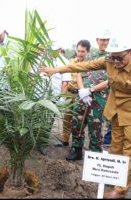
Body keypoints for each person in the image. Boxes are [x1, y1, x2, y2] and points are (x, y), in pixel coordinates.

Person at [40, 36, 131, 199]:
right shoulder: (109, 60)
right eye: (114, 57)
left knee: (129, 149)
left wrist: (93, 89)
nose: (116, 62)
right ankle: (115, 177)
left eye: (121, 58)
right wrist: (56, 70)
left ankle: (121, 190)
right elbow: (83, 65)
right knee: (115, 146)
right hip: (116, 110)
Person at [58, 40, 91, 147]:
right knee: (67, 117)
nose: (80, 53)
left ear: (88, 52)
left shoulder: (90, 64)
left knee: (79, 121)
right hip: (69, 93)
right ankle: (64, 139)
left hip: (81, 96)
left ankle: (76, 144)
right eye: (78, 51)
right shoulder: (71, 62)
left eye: (83, 51)